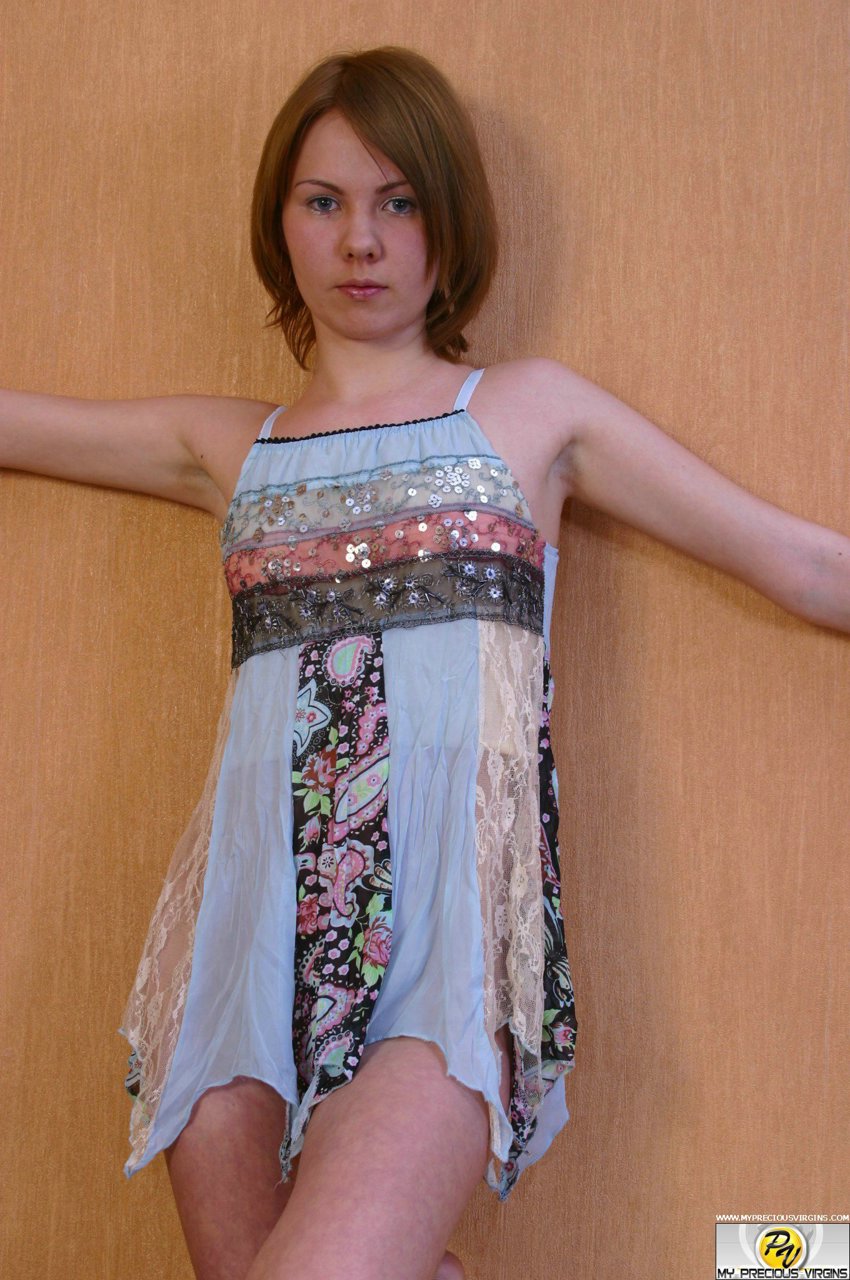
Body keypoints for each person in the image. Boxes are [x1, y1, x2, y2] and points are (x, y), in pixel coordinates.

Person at [2, 43, 847, 1280]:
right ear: (279, 224)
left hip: (444, 958)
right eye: (324, 201)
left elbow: (806, 564)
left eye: (399, 202)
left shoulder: (531, 415)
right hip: (235, 961)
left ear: (450, 222)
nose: (362, 240)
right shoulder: (228, 444)